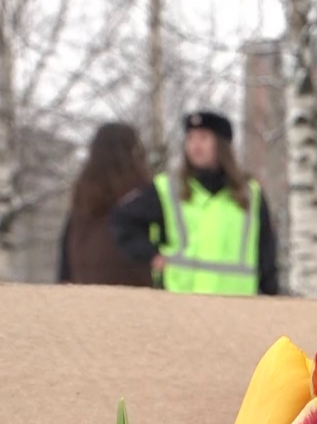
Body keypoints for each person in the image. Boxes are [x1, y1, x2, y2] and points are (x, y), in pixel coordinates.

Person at [111, 110, 279, 295]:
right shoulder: (168, 189)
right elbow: (123, 221)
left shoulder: (250, 194)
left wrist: (272, 300)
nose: (195, 145)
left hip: (237, 308)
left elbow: (266, 254)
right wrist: (151, 254)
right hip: (181, 306)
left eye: (203, 138)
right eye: (190, 138)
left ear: (221, 145)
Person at [59, 123, 155, 287]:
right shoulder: (143, 201)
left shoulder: (81, 207)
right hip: (137, 303)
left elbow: (64, 269)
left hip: (85, 302)